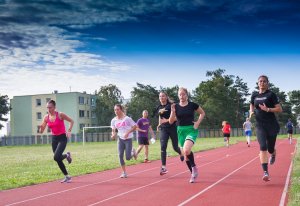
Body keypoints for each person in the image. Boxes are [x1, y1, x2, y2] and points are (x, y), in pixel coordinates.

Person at [249, 75, 282, 182]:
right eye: (260, 81)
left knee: (270, 148)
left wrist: (267, 109)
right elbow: (251, 104)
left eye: (264, 81)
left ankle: (273, 153)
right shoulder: (254, 95)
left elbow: (279, 109)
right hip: (260, 126)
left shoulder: (271, 94)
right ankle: (265, 172)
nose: (262, 83)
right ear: (257, 83)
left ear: (267, 83)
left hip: (271, 125)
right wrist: (251, 111)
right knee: (263, 147)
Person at [169, 87, 205, 183]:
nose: (181, 96)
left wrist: (197, 123)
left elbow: (202, 113)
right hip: (180, 130)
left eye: (183, 94)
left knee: (186, 149)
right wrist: (172, 112)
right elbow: (171, 121)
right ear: (178, 95)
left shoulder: (192, 105)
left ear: (187, 95)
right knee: (186, 154)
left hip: (191, 129)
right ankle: (193, 173)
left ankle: (193, 167)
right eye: (180, 94)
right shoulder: (175, 107)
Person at [39, 99, 74, 183]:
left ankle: (66, 156)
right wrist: (41, 128)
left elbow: (71, 121)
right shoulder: (46, 117)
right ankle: (67, 176)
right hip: (54, 139)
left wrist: (69, 130)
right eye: (47, 108)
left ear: (54, 107)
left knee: (56, 156)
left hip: (62, 138)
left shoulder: (60, 115)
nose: (48, 109)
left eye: (50, 107)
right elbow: (41, 130)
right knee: (57, 158)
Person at [156, 91, 184, 176]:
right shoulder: (159, 107)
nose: (161, 98)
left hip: (172, 128)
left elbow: (176, 118)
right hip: (163, 129)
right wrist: (159, 124)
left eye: (163, 96)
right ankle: (164, 167)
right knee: (163, 146)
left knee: (175, 147)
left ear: (166, 97)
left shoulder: (172, 105)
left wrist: (167, 120)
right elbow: (160, 117)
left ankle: (180, 152)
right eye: (160, 96)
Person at [111, 104, 138, 178]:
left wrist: (127, 132)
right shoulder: (114, 120)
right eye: (115, 110)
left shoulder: (127, 119)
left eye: (117, 109)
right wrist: (113, 134)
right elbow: (114, 130)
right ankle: (124, 172)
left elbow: (135, 127)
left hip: (128, 139)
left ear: (121, 110)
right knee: (120, 155)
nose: (116, 111)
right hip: (120, 139)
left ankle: (133, 152)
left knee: (128, 157)